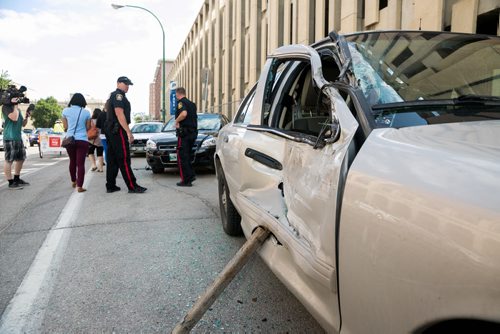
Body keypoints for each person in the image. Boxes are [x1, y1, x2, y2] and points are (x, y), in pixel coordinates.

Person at [105, 76, 146, 194]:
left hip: (112, 131)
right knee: (124, 159)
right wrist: (128, 132)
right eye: (125, 84)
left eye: (128, 84)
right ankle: (132, 186)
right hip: (118, 131)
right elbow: (119, 113)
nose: (127, 86)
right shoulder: (119, 95)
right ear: (118, 83)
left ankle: (111, 185)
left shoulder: (113, 95)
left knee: (112, 159)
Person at [0, 88, 33, 190]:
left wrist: (27, 116)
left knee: (21, 158)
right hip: (9, 137)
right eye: (17, 98)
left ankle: (17, 179)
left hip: (18, 137)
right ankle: (11, 182)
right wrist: (15, 105)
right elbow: (14, 118)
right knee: (9, 160)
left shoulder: (17, 109)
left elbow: (22, 123)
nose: (18, 99)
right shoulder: (6, 107)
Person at [62, 93, 91, 193]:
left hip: (70, 139)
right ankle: (79, 186)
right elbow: (88, 127)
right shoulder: (87, 112)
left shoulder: (65, 111)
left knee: (72, 161)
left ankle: (73, 181)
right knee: (80, 164)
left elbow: (65, 126)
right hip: (82, 139)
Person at [174, 87, 198, 187]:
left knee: (181, 156)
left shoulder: (181, 103)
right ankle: (191, 175)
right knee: (187, 155)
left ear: (178, 94)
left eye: (176, 95)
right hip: (193, 133)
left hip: (184, 133)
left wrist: (176, 121)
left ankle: (186, 180)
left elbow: (184, 114)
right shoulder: (192, 104)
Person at [87, 108, 104, 172]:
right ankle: (101, 168)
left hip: (92, 139)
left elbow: (87, 128)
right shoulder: (102, 120)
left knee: (90, 152)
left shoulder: (91, 120)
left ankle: (94, 165)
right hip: (100, 139)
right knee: (100, 154)